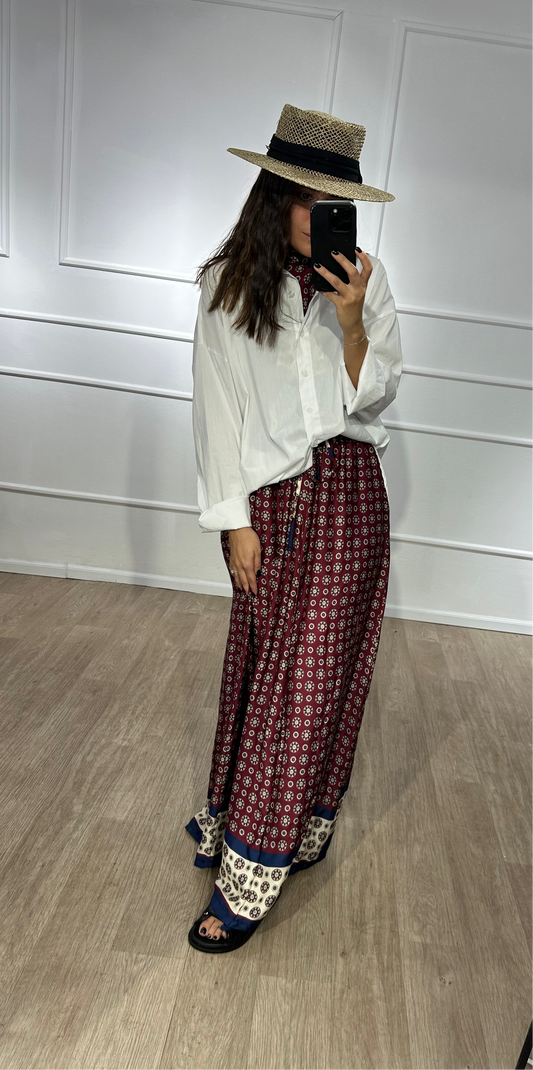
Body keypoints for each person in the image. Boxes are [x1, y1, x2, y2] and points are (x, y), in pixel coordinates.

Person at [186, 103, 402, 953]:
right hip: (271, 506)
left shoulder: (365, 281)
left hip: (349, 500)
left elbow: (374, 398)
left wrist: (351, 320)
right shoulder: (227, 285)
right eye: (304, 197)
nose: (318, 216)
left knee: (313, 683)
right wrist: (231, 522)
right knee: (261, 671)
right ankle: (254, 824)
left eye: (332, 202)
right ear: (274, 195)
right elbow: (217, 411)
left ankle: (252, 873)